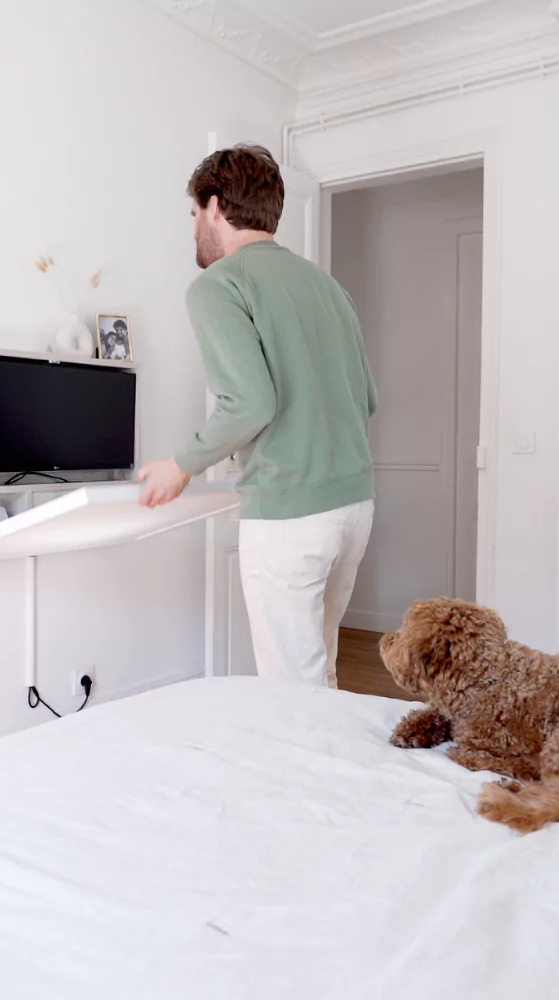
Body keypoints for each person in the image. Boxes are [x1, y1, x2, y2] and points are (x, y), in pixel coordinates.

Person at [137, 144, 377, 688]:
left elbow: (249, 403)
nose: (194, 227)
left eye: (194, 214)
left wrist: (181, 465)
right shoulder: (330, 288)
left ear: (216, 206)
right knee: (322, 670)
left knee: (292, 687)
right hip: (353, 507)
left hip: (291, 517)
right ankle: (333, 769)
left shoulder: (218, 285)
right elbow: (366, 399)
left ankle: (308, 774)